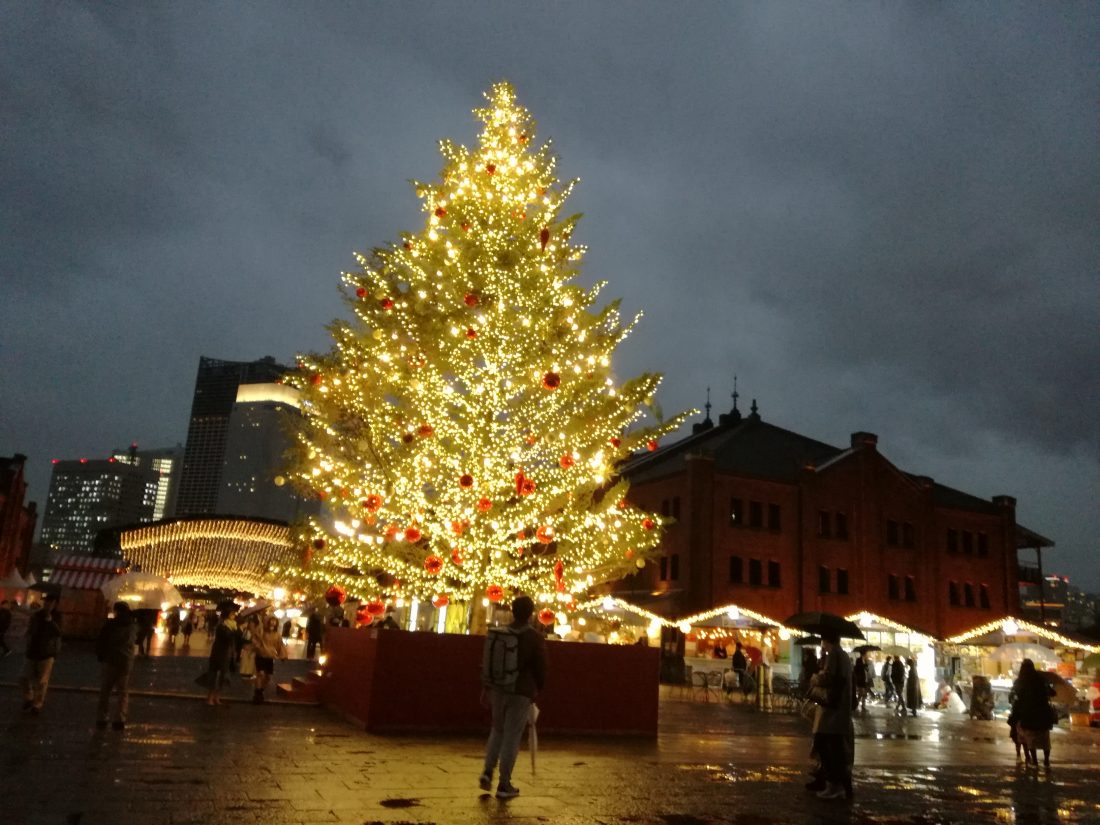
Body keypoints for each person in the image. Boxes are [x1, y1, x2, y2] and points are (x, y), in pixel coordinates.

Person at [479, 595, 547, 801]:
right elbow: (541, 667)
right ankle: (504, 783)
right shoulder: (534, 637)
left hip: (498, 688)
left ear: (512, 611)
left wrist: (486, 687)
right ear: (531, 613)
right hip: (521, 692)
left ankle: (487, 771)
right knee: (512, 736)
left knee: (497, 729)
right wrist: (538, 688)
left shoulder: (500, 634)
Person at [805, 630, 854, 801]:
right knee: (834, 747)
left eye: (822, 640)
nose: (821, 643)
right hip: (839, 708)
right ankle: (839, 785)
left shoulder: (834, 654)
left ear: (827, 640)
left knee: (827, 746)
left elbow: (829, 678)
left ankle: (834, 785)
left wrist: (815, 678)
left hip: (833, 709)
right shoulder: (843, 655)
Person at [95, 601, 137, 729]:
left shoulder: (111, 625)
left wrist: (100, 655)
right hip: (125, 662)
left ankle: (102, 717)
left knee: (105, 691)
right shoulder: (133, 626)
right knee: (123, 692)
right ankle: (120, 718)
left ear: (116, 611)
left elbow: (102, 641)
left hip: (111, 660)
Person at [21, 592, 62, 715]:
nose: (47, 604)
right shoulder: (37, 615)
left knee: (42, 681)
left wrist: (50, 621)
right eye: (46, 602)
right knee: (23, 677)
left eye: (50, 602)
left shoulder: (57, 617)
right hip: (33, 650)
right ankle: (29, 697)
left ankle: (37, 704)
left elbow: (59, 633)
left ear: (55, 604)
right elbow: (31, 630)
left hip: (47, 653)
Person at [1012, 658, 1056, 767]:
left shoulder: (1020, 681)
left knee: (1030, 738)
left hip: (1027, 714)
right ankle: (1046, 760)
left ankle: (1034, 760)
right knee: (1045, 739)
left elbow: (1016, 696)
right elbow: (1052, 692)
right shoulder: (1041, 679)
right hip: (1042, 713)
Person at [250, 615, 288, 704]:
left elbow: (280, 645)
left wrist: (282, 655)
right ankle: (258, 694)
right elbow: (255, 638)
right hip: (261, 656)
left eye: (275, 621)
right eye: (271, 621)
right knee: (261, 674)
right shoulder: (262, 631)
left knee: (268, 677)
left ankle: (260, 690)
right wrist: (258, 647)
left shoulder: (277, 634)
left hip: (270, 657)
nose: (273, 623)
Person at [206, 605, 238, 706]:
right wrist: (234, 632)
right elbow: (226, 637)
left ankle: (217, 697)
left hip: (227, 653)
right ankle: (210, 697)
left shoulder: (234, 625)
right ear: (227, 615)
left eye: (234, 614)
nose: (233, 616)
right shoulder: (222, 625)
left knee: (223, 676)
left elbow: (235, 639)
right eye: (232, 614)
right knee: (214, 675)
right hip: (218, 652)